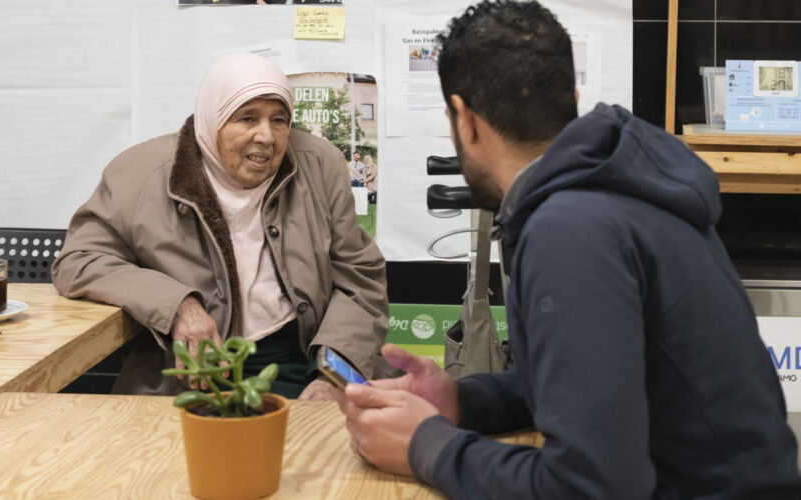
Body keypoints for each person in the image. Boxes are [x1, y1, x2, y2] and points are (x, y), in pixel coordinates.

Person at [338, 1, 801, 499]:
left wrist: (426, 446)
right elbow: (597, 390)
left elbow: (590, 487)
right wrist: (464, 403)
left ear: (464, 120)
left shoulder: (570, 228)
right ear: (572, 95)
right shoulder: (615, 195)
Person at [52, 53, 390, 400]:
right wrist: (178, 306)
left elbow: (359, 279)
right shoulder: (141, 173)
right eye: (247, 118)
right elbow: (79, 260)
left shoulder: (320, 164)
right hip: (188, 371)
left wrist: (334, 375)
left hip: (302, 359)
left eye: (279, 120)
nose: (267, 137)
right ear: (212, 119)